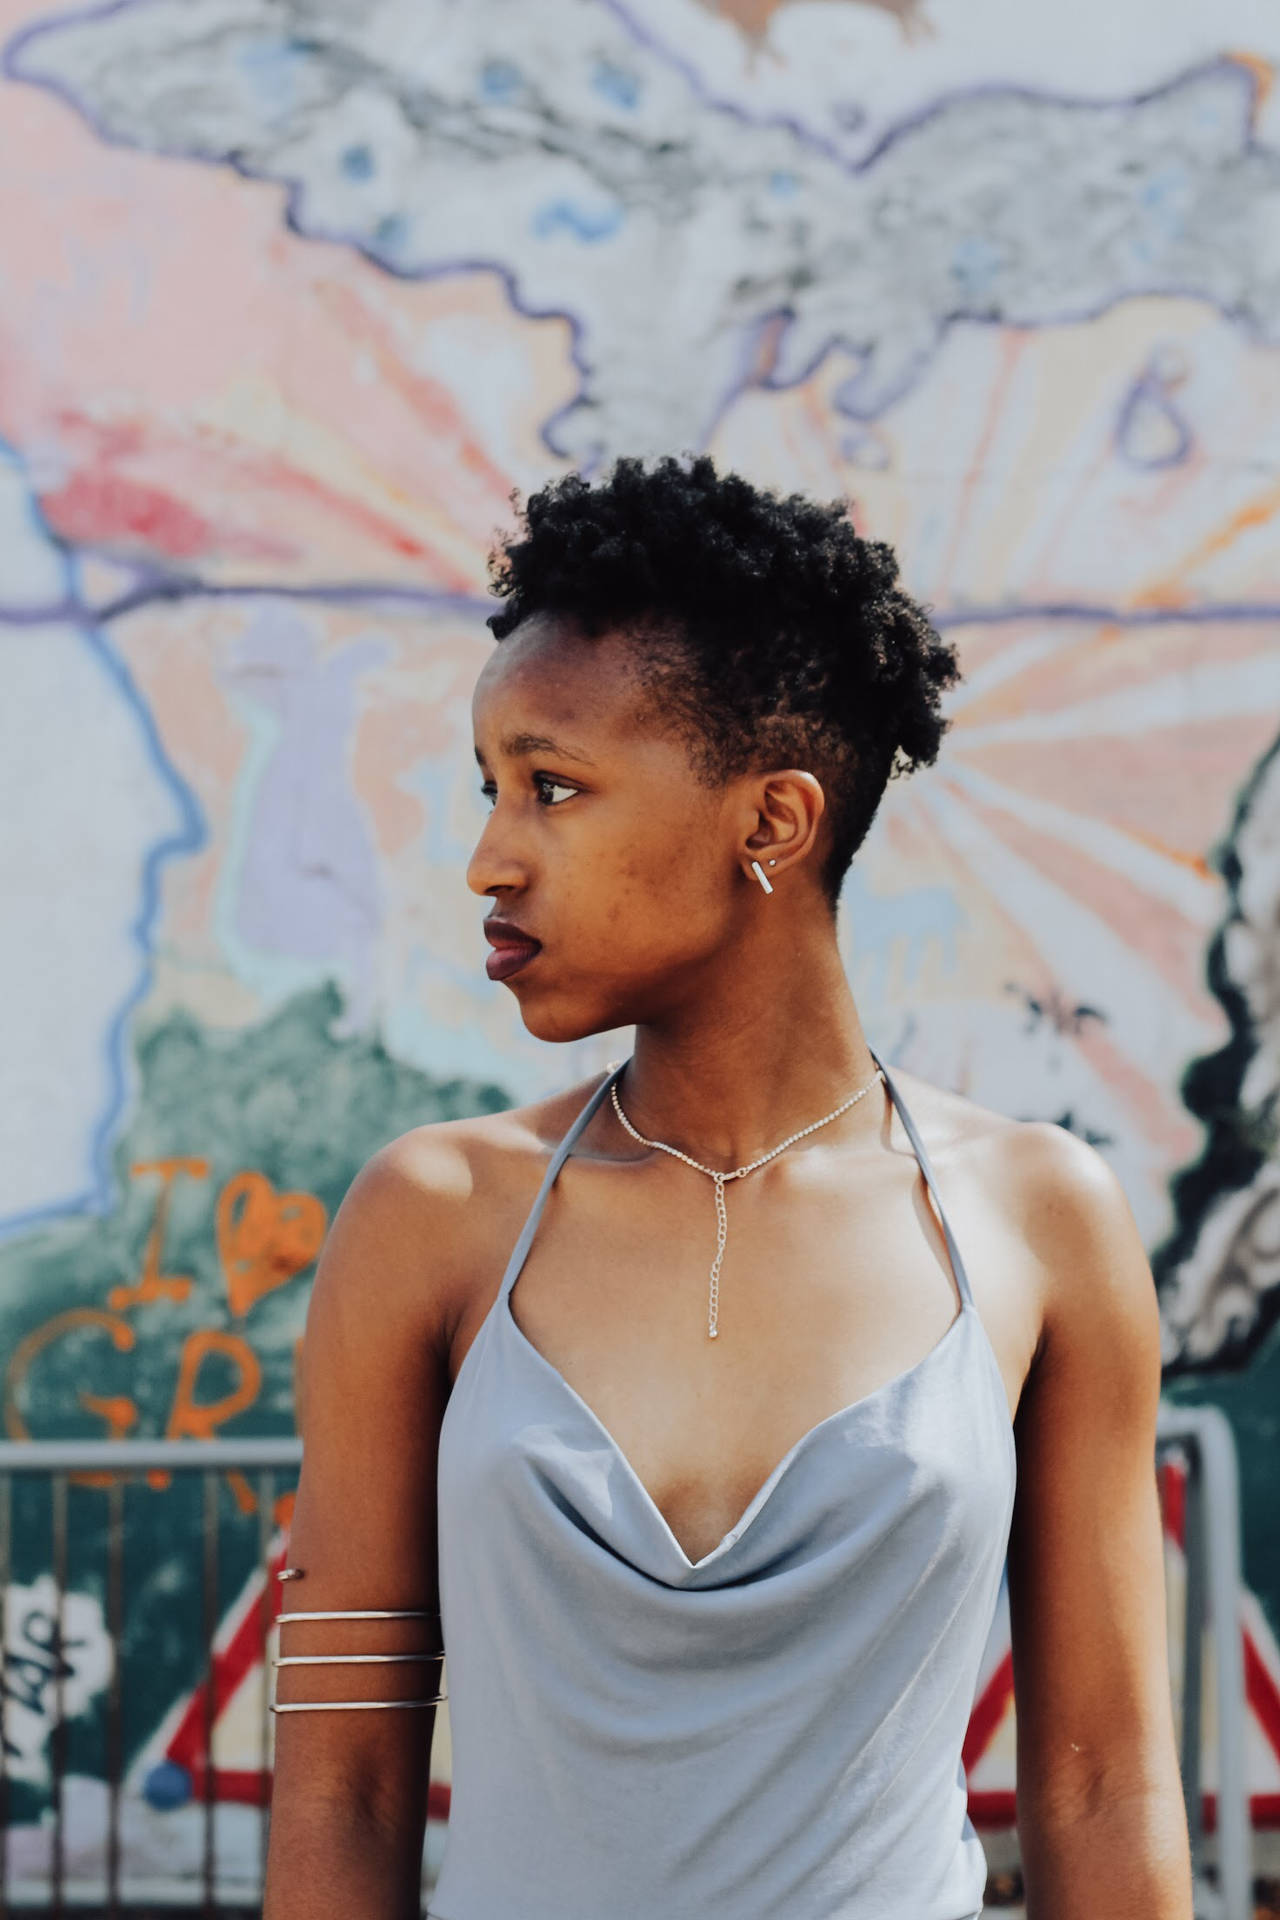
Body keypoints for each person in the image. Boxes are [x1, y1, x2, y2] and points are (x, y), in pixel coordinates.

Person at [262, 455, 1193, 1920]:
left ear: (772, 823)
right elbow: (346, 1791)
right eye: (491, 788)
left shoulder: (1038, 1222)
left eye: (553, 789)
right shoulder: (431, 1216)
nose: (489, 859)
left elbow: (1097, 1786)